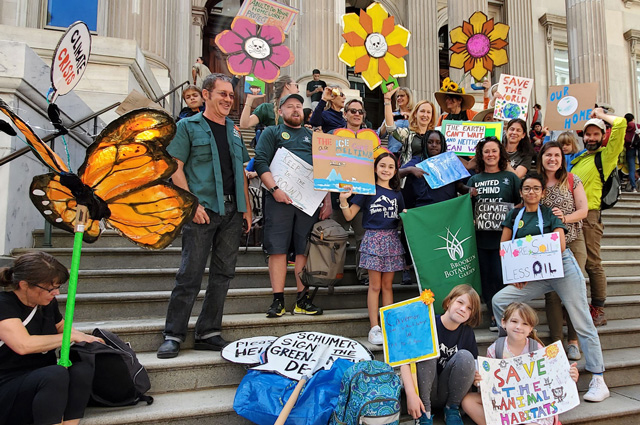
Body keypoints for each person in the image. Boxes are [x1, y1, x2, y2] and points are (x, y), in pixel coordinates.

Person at [492, 172, 610, 402]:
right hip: (534, 273)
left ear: (543, 193)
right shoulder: (514, 215)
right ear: (521, 192)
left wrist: (534, 254)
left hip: (561, 267)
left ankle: (598, 378)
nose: (531, 192)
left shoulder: (550, 213)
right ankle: (508, 352)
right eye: (527, 188)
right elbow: (504, 245)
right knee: (499, 301)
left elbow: (559, 243)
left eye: (536, 188)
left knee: (582, 320)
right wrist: (516, 270)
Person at [157, 73, 252, 359]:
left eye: (231, 95)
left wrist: (246, 209)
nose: (227, 99)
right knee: (190, 274)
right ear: (206, 94)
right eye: (222, 93)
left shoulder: (234, 131)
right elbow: (176, 166)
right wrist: (191, 204)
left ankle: (208, 331)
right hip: (203, 209)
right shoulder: (187, 126)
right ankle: (173, 334)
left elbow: (242, 174)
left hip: (233, 212)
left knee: (223, 275)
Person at [0, 251, 102, 425]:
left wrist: (86, 338)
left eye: (58, 287)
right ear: (24, 285)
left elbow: (61, 326)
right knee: (55, 374)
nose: (56, 293)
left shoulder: (46, 303)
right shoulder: (4, 304)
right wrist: (69, 337)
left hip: (40, 379)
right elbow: (23, 345)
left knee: (82, 371)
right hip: (8, 386)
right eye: (50, 288)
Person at [254, 93, 332, 318]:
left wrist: (326, 200)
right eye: (290, 107)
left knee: (303, 250)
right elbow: (260, 162)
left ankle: (302, 300)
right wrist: (275, 190)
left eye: (299, 106)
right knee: (277, 249)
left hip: (308, 202)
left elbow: (325, 170)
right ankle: (277, 300)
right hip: (279, 200)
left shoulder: (313, 136)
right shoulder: (272, 132)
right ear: (280, 111)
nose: (295, 110)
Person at [461, 302, 580, 425]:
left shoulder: (537, 348)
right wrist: (480, 381)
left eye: (525, 323)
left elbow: (553, 380)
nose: (519, 327)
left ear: (530, 329)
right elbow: (490, 387)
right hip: (507, 404)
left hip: (533, 404)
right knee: (468, 401)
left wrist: (570, 376)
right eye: (514, 321)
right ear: (503, 323)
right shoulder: (495, 349)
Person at [339, 152, 405, 345]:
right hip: (373, 239)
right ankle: (374, 327)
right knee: (375, 286)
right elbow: (350, 216)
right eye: (382, 165)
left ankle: (389, 325)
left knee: (387, 286)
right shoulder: (367, 190)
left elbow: (403, 216)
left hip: (392, 239)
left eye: (391, 167)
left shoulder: (397, 193)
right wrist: (344, 200)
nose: (386, 170)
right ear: (375, 168)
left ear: (395, 170)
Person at [570, 107, 627, 326]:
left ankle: (598, 309)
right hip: (572, 216)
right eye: (588, 134)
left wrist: (601, 115)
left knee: (593, 263)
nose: (591, 138)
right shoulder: (580, 159)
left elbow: (621, 124)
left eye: (596, 134)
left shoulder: (606, 156)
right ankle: (578, 307)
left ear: (603, 136)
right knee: (575, 263)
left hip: (590, 217)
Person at [401, 284, 481, 425]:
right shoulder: (428, 324)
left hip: (449, 391)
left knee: (466, 357)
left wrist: (476, 377)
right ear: (449, 301)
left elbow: (473, 365)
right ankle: (424, 413)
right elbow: (405, 362)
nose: (463, 309)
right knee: (429, 349)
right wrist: (411, 394)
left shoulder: (467, 333)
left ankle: (452, 409)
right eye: (460, 302)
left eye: (469, 308)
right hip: (423, 390)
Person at [537, 141, 588, 361]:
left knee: (575, 293)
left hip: (572, 240)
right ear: (541, 157)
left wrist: (564, 219)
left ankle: (574, 341)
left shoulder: (571, 179)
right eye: (548, 155)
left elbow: (583, 210)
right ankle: (556, 341)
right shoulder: (535, 182)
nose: (553, 159)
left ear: (562, 158)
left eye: (557, 155)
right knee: (552, 294)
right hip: (545, 244)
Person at [467, 137, 521, 331]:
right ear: (481, 155)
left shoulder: (511, 178)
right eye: (486, 151)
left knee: (502, 277)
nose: (490, 155)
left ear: (500, 154)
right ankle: (492, 314)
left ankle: (506, 315)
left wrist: (509, 211)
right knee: (487, 278)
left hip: (504, 239)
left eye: (494, 151)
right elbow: (467, 207)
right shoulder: (474, 180)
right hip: (481, 238)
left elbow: (521, 202)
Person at [330, 98, 368, 285]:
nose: (356, 114)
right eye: (352, 111)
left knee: (363, 239)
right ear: (344, 114)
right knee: (336, 238)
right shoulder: (334, 135)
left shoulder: (370, 137)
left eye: (360, 112)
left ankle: (363, 275)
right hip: (338, 195)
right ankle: (332, 274)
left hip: (362, 197)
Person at [400, 130, 471, 208]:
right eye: (430, 142)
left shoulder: (449, 161)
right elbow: (396, 173)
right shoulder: (417, 161)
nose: (434, 145)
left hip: (449, 209)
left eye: (438, 142)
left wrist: (468, 190)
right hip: (423, 209)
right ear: (424, 144)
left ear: (443, 145)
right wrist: (410, 169)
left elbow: (459, 186)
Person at [383, 88, 436, 167]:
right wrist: (387, 100)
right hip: (409, 176)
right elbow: (391, 128)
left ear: (432, 116)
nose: (425, 115)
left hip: (428, 177)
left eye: (428, 112)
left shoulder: (435, 136)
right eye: (422, 111)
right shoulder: (407, 134)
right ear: (415, 114)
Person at [377, 87, 415, 154]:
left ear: (409, 97)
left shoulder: (415, 115)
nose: (399, 98)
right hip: (393, 153)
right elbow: (380, 135)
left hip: (410, 154)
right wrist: (387, 121)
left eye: (402, 96)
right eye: (397, 96)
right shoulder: (392, 115)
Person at [624, 113, 639, 192]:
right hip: (638, 148)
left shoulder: (624, 128)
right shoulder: (636, 126)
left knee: (631, 169)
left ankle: (634, 187)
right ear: (633, 118)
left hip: (629, 149)